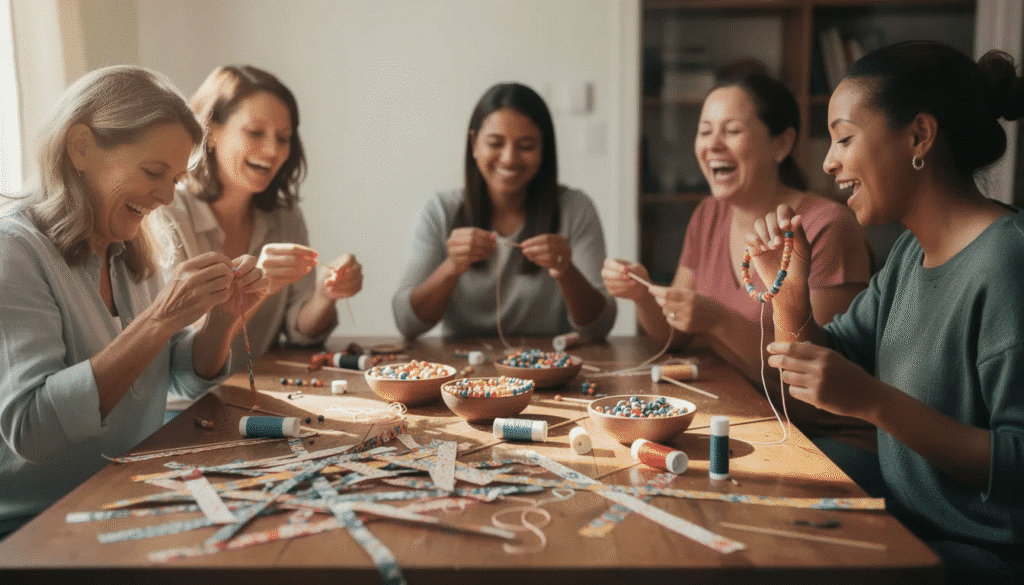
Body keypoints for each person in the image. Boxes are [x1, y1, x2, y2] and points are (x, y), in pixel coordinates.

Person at [750, 42, 1024, 583]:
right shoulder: (908, 254)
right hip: (910, 518)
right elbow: (822, 369)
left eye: (844, 138)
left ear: (919, 136)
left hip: (981, 553)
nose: (828, 162)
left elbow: (1016, 462)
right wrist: (788, 288)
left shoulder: (1008, 263)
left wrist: (875, 401)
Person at [0, 65, 268, 538]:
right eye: (153, 172)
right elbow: (31, 430)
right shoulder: (14, 251)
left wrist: (224, 318)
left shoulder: (128, 247)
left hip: (125, 492)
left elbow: (181, 377)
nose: (167, 196)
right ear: (81, 147)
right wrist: (158, 321)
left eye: (176, 179)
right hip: (36, 524)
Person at [602, 73, 878, 487]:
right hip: (749, 416)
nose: (713, 144)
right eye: (705, 131)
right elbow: (673, 337)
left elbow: (811, 396)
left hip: (823, 438)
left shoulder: (827, 227)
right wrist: (642, 295)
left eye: (732, 131)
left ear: (782, 144)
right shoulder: (708, 215)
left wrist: (717, 320)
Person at [162, 65, 362, 377]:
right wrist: (256, 287)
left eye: (283, 138)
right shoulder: (168, 213)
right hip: (185, 404)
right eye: (255, 132)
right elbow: (179, 348)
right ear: (210, 131)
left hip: (261, 392)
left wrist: (325, 295)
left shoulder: (286, 217)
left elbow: (300, 331)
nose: (272, 151)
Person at [392, 82, 615, 341]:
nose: (509, 158)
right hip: (463, 372)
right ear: (474, 144)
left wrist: (566, 271)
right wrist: (450, 268)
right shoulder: (440, 210)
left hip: (549, 369)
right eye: (495, 143)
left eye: (526, 146)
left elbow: (599, 328)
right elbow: (406, 323)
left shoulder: (575, 209)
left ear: (544, 149)